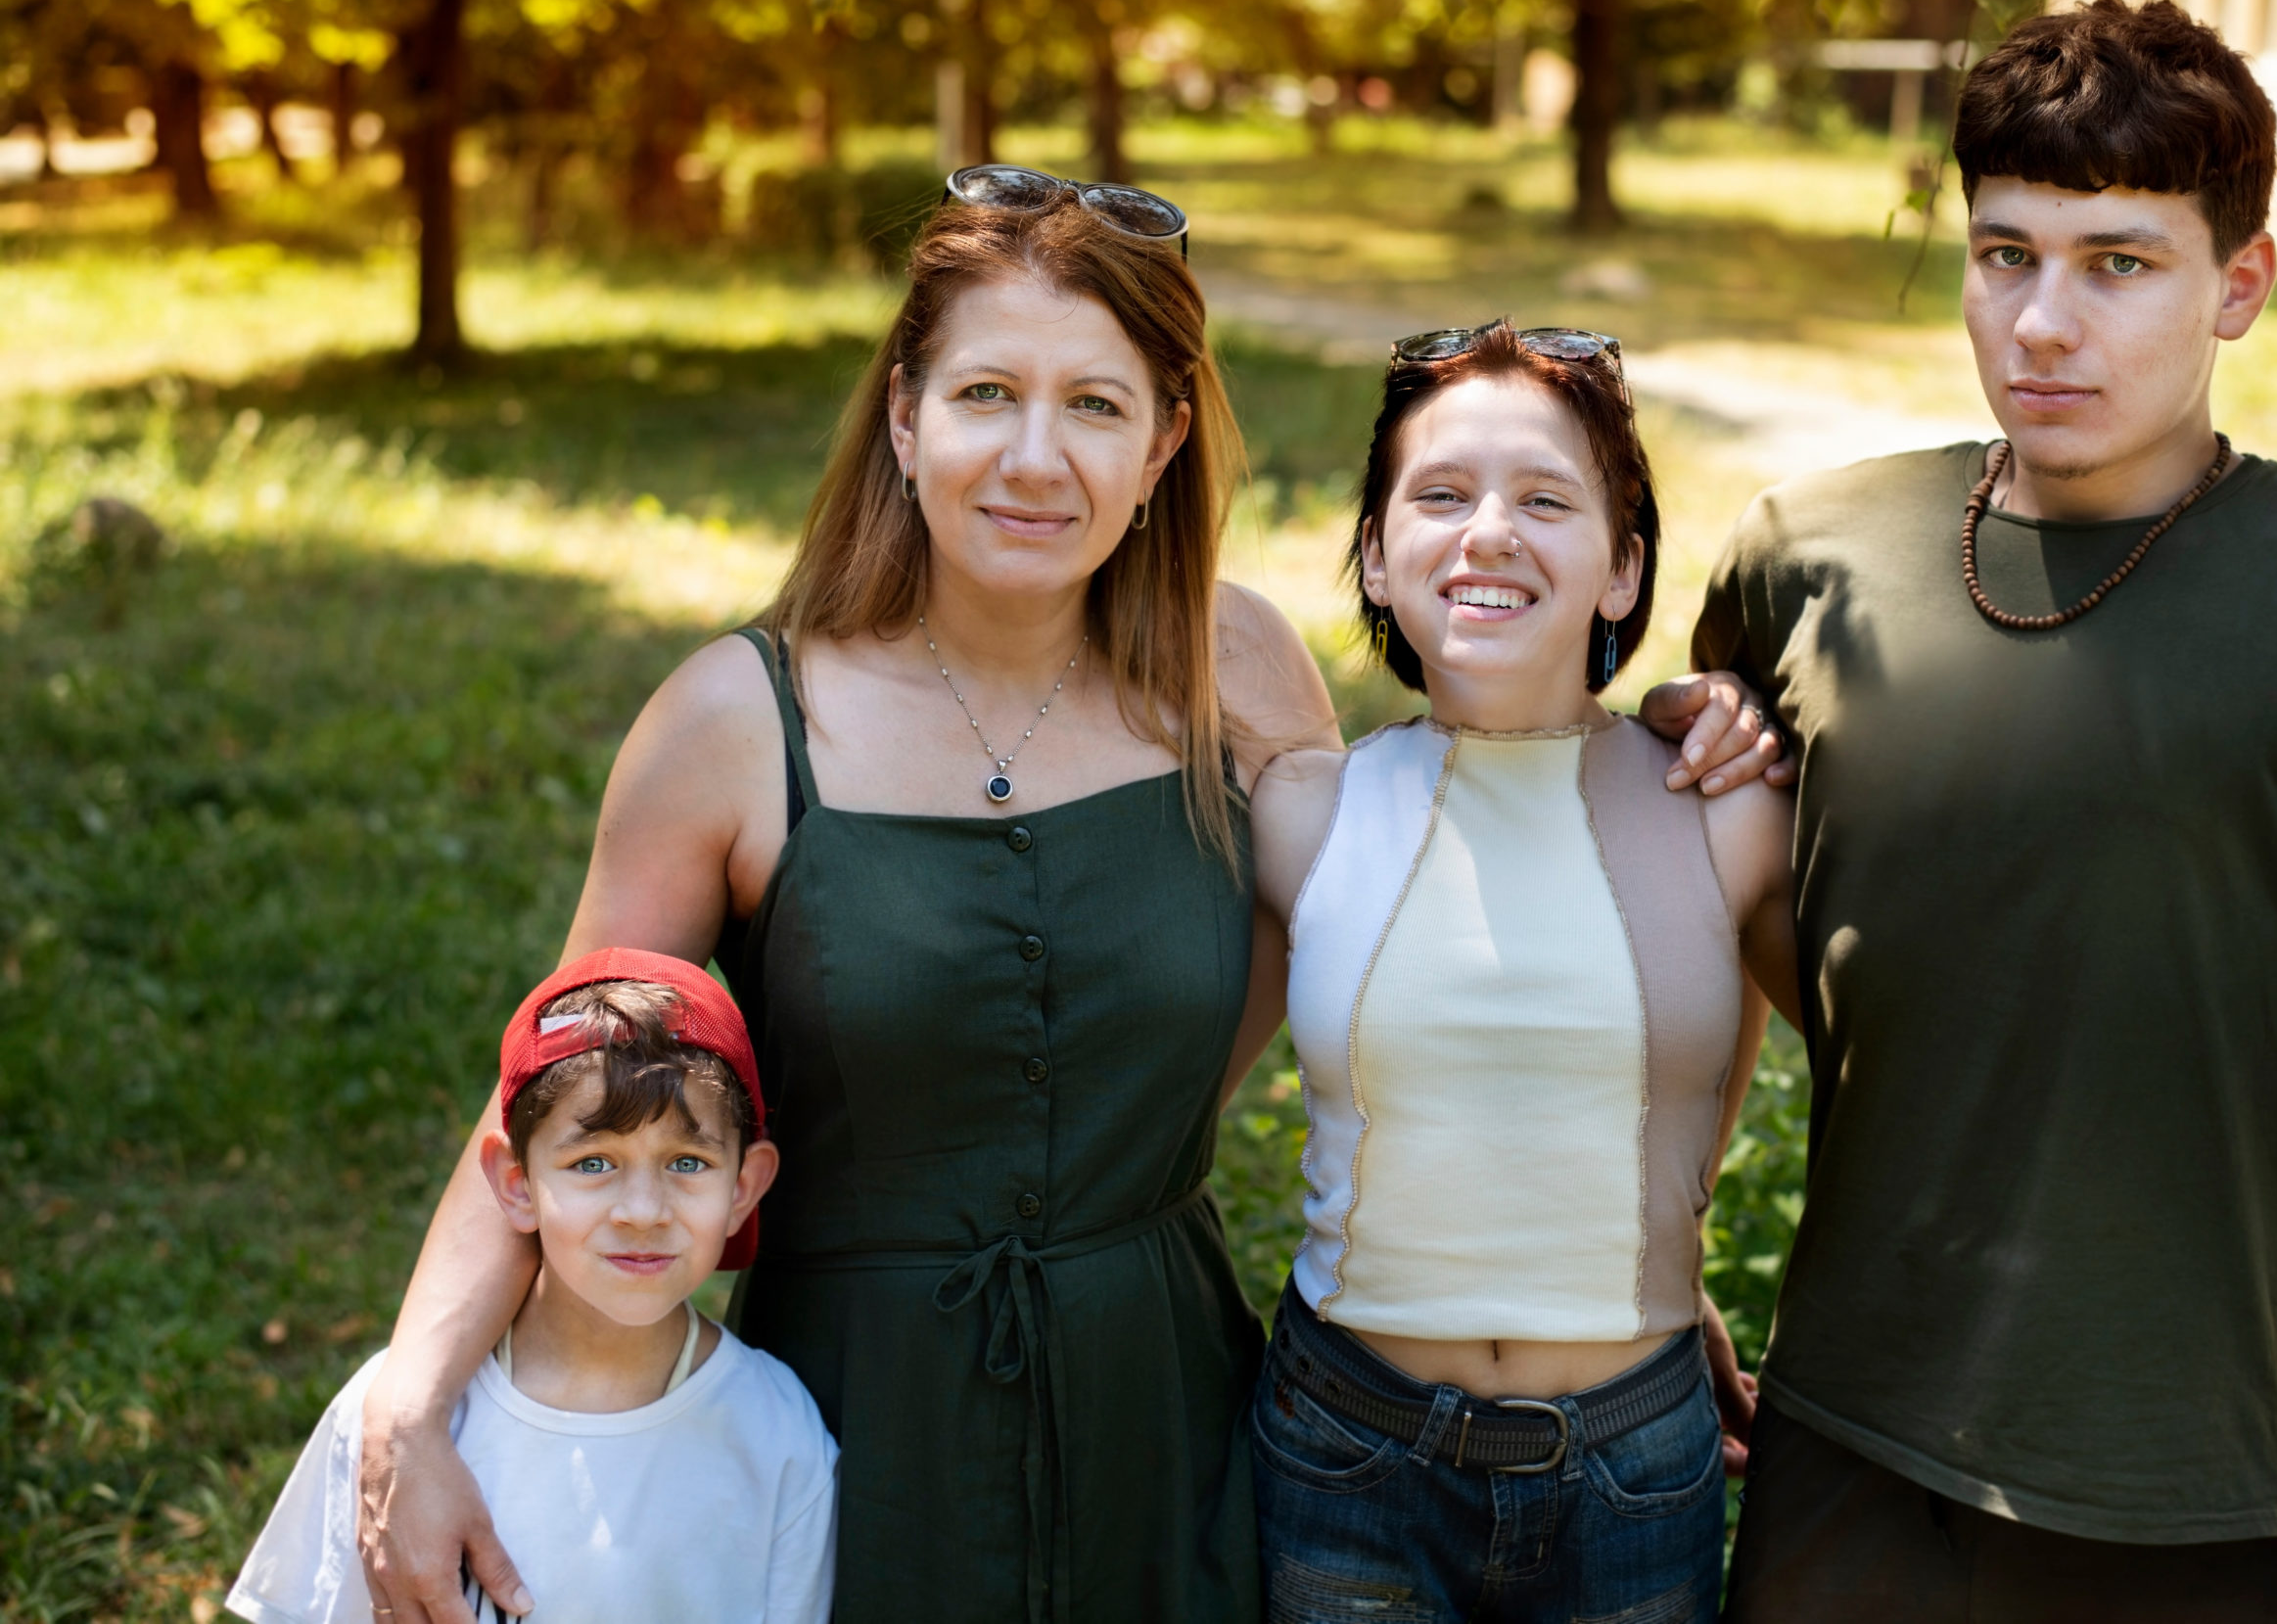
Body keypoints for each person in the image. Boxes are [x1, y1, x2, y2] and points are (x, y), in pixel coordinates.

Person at [347, 163, 1791, 1624]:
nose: (1037, 459)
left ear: (1166, 440)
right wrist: (413, 1393)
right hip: (859, 1414)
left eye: (1096, 406)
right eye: (987, 396)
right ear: (905, 415)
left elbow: (1424, 942)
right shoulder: (733, 721)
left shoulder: (1234, 673)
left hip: (1167, 1411)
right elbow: (561, 1088)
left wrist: (1635, 1253)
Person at [1689, 0, 2277, 1622]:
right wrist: (1664, 1255)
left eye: (2118, 263)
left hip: (2186, 1481)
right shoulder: (1807, 560)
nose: (2042, 323)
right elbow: (1794, 951)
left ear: (2242, 284)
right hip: (1846, 1445)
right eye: (2005, 254)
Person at [1246, 321, 1795, 1623]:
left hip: (1633, 1461)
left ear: (1624, 568)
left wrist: (1681, 1239)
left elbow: (1730, 1023)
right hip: (1344, 1448)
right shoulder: (1300, 815)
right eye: (1438, 496)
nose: (1487, 531)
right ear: (1377, 557)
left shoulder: (1721, 809)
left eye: (1546, 499)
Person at [228, 951, 834, 1624]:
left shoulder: (779, 1435)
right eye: (594, 1161)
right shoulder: (394, 1422)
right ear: (516, 1184)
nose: (643, 1209)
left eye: (687, 1161)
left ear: (743, 1188)